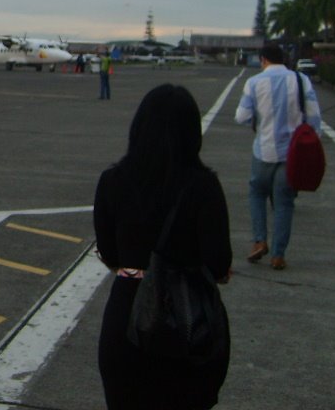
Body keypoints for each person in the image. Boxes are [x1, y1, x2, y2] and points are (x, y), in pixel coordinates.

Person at [94, 84, 232, 410]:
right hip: (189, 322)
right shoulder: (204, 185)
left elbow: (110, 254)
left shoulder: (112, 180)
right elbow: (218, 263)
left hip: (128, 315)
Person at [235, 43, 321, 270]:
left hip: (263, 150)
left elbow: (241, 116)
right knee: (284, 204)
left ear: (263, 60)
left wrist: (260, 121)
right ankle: (278, 255)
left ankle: (259, 241)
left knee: (256, 194)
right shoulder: (302, 80)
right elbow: (314, 118)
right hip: (291, 155)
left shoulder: (253, 83)